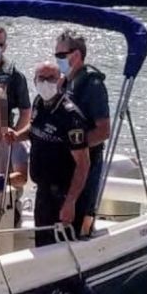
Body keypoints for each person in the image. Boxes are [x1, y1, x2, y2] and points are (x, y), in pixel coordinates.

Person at [7, 61, 90, 247]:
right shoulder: (39, 103)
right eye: (41, 78)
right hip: (43, 191)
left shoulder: (70, 116)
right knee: (42, 244)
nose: (45, 83)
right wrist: (16, 136)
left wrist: (70, 202)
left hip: (64, 193)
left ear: (60, 80)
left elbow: (83, 164)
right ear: (35, 81)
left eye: (50, 78)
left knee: (61, 249)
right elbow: (34, 127)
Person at [54, 28, 110, 237]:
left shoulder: (92, 85)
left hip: (86, 161)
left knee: (79, 220)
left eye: (60, 55)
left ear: (76, 55)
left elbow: (104, 131)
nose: (57, 59)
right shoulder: (66, 81)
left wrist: (76, 146)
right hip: (65, 164)